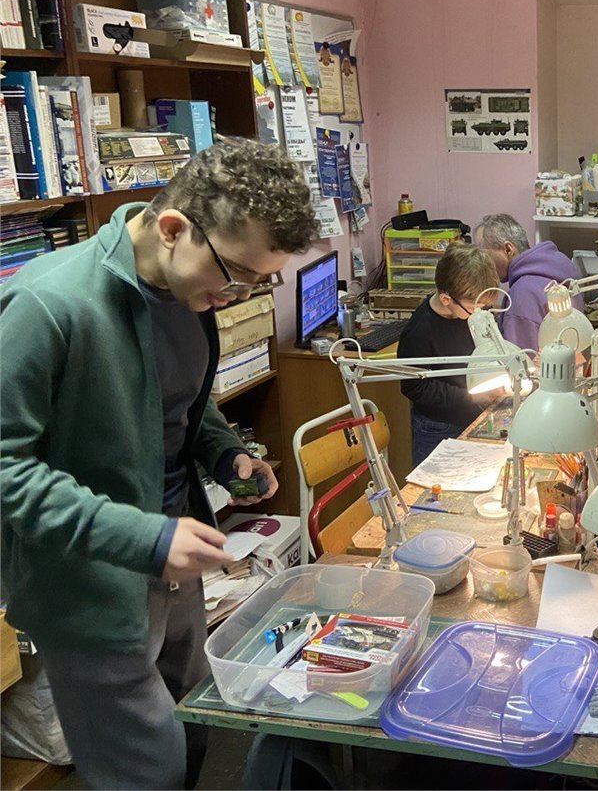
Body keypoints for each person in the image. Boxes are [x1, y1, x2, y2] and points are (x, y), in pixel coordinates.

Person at [0, 139, 318, 789]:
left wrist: (224, 451)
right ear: (173, 229)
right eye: (236, 274)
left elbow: (176, 402)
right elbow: (7, 470)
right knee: (148, 771)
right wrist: (145, 538)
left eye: (261, 281)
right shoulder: (48, 305)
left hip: (175, 558)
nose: (237, 296)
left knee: (196, 730)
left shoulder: (186, 294)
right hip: (90, 584)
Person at [397, 243, 504, 465]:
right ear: (447, 299)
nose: (480, 313)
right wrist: (470, 396)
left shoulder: (469, 313)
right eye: (475, 308)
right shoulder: (419, 331)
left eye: (484, 306)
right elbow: (413, 387)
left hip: (473, 415)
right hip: (437, 428)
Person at [475, 213, 578, 352]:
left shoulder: (522, 293)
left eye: (484, 256)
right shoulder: (560, 265)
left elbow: (521, 360)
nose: (483, 264)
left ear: (508, 249)